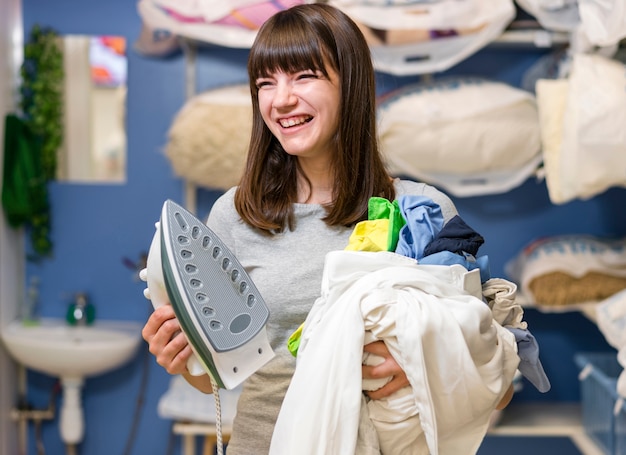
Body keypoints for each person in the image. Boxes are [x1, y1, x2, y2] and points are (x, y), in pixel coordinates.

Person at [142, 4, 513, 454]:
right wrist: (181, 359)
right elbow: (217, 377)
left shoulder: (421, 213)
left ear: (351, 83)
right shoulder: (235, 215)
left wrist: (425, 364)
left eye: (303, 76)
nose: (280, 100)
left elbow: (497, 383)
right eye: (265, 83)